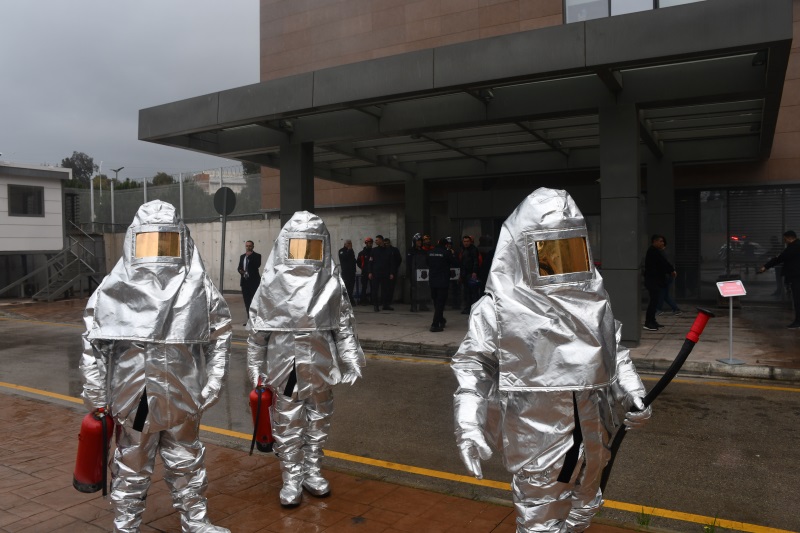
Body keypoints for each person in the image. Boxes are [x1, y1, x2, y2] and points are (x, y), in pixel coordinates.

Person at [451, 188, 651, 532]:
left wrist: (632, 392)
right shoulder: (498, 308)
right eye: (550, 251)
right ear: (524, 250)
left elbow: (614, 349)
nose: (562, 261)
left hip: (594, 434)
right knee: (540, 523)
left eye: (570, 249)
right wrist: (468, 424)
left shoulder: (592, 296)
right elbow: (474, 365)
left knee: (584, 508)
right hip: (538, 440)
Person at [79, 200, 232, 533]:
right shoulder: (113, 288)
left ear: (182, 242)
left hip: (184, 394)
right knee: (132, 465)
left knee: (188, 461)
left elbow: (219, 334)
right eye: (150, 242)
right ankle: (126, 525)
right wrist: (97, 394)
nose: (159, 252)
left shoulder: (198, 287)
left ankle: (196, 521)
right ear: (133, 242)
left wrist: (215, 380)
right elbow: (93, 346)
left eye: (167, 242)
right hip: (137, 398)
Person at [247, 211, 365, 507]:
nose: (305, 255)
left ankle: (312, 470)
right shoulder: (271, 284)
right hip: (286, 370)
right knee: (288, 424)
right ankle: (291, 477)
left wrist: (351, 360)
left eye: (312, 247)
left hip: (321, 367)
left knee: (319, 421)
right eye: (298, 246)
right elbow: (258, 335)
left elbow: (343, 326)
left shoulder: (331, 283)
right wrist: (255, 370)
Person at [759, 230, 800, 329]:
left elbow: (779, 258)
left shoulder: (793, 247)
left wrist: (765, 266)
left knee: (797, 300)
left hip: (796, 277)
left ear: (790, 238)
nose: (784, 241)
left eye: (785, 239)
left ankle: (798, 322)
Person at [643, 234, 676, 331]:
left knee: (655, 302)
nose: (662, 243)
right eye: (660, 241)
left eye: (663, 241)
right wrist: (671, 270)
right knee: (653, 302)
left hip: (655, 281)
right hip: (652, 281)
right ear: (655, 241)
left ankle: (652, 321)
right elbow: (663, 263)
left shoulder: (656, 251)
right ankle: (648, 323)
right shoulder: (653, 252)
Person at [427, 238, 458, 332]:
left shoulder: (430, 252)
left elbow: (427, 263)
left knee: (436, 302)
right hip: (443, 281)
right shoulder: (446, 253)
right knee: (440, 303)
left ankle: (441, 319)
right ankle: (435, 324)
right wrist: (452, 254)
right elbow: (454, 262)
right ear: (446, 245)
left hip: (432, 281)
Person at [367, 234, 397, 311]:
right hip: (376, 273)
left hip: (385, 273)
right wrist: (370, 272)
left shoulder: (388, 251)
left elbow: (392, 263)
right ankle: (376, 306)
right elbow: (370, 262)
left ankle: (385, 305)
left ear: (381, 240)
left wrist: (391, 273)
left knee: (386, 290)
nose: (375, 241)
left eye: (377, 240)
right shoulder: (374, 250)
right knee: (375, 290)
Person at [238, 240, 262, 324]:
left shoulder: (257, 256)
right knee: (247, 302)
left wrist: (249, 257)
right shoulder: (242, 256)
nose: (248, 247)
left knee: (255, 302)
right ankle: (249, 320)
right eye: (247, 246)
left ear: (253, 246)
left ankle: (256, 320)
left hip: (254, 282)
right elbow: (239, 267)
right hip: (244, 282)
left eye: (250, 246)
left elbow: (257, 265)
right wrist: (242, 271)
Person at [407, 233, 430, 312]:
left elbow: (427, 262)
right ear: (414, 241)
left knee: (423, 289)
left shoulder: (424, 252)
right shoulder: (410, 251)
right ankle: (413, 306)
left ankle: (422, 305)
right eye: (418, 241)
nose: (419, 242)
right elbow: (409, 263)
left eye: (420, 241)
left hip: (423, 273)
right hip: (414, 273)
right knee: (414, 289)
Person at [459, 235, 482, 314]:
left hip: (470, 273)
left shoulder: (473, 250)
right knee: (467, 292)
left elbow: (476, 261)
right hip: (465, 273)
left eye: (467, 241)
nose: (466, 243)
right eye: (464, 241)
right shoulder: (463, 250)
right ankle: (468, 308)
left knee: (473, 292)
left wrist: (474, 272)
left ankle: (473, 308)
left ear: (470, 242)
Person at [384, 237, 402, 306]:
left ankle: (389, 301)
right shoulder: (383, 250)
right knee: (385, 287)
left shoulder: (394, 250)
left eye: (387, 243)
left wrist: (394, 267)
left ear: (389, 243)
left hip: (393, 271)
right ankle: (384, 300)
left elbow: (399, 259)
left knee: (391, 287)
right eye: (385, 244)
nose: (386, 245)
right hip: (384, 271)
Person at [338, 239, 357, 304]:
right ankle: (346, 300)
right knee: (346, 286)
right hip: (346, 272)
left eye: (350, 243)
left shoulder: (351, 250)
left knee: (351, 286)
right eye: (348, 243)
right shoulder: (341, 251)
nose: (350, 245)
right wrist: (349, 250)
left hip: (352, 271)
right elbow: (344, 257)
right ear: (345, 244)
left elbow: (352, 259)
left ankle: (350, 299)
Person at [357, 237, 373, 305]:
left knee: (373, 286)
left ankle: (373, 300)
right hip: (365, 272)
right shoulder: (362, 253)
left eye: (371, 243)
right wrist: (363, 268)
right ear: (366, 243)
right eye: (369, 243)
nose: (371, 244)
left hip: (372, 272)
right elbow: (358, 262)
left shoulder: (374, 252)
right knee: (364, 287)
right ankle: (363, 300)